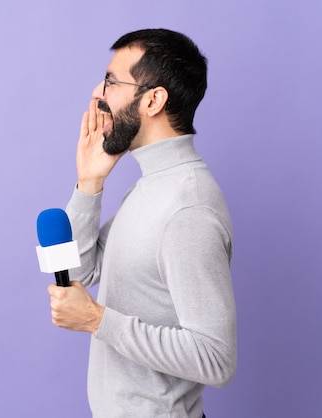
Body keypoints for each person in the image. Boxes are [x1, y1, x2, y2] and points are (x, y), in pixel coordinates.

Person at [47, 28, 236, 417]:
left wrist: (98, 320)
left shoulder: (188, 209)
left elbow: (216, 359)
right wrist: (89, 184)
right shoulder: (152, 186)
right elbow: (84, 270)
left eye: (111, 81)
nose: (98, 94)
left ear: (153, 100)